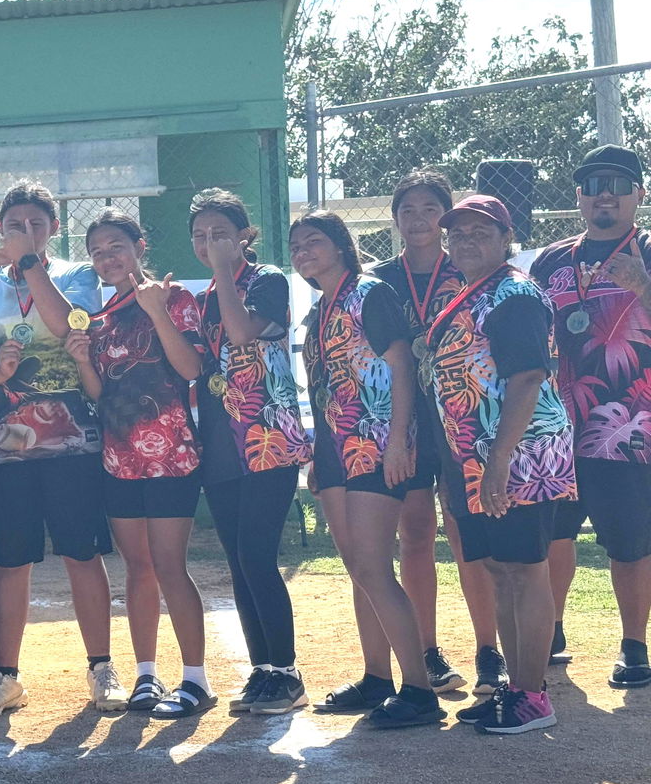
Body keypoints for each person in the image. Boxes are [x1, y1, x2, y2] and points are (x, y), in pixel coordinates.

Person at [0, 179, 111, 722]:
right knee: (9, 561)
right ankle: (5, 675)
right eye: (15, 225)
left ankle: (101, 667)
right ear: (1, 230)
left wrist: (31, 262)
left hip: (73, 445)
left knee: (81, 554)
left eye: (37, 223)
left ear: (54, 228)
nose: (26, 232)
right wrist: (1, 371)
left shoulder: (79, 278)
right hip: (3, 450)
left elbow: (66, 328)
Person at [427, 195, 577, 735]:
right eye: (458, 233)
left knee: (524, 569)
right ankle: (516, 688)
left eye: (480, 232)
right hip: (476, 459)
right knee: (497, 570)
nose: (466, 240)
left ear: (506, 239)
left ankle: (534, 697)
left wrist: (498, 463)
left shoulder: (514, 294)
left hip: (519, 455)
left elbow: (527, 379)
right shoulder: (471, 293)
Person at [293, 211, 442, 728]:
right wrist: (315, 454)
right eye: (295, 245)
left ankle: (420, 691)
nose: (303, 251)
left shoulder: (369, 292)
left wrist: (400, 440)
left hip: (376, 442)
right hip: (336, 446)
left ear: (340, 245)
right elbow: (321, 386)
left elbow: (401, 365)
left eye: (314, 241)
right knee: (359, 567)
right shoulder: (318, 312)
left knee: (376, 567)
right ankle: (376, 677)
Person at [67, 211, 212, 718]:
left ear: (140, 246)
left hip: (171, 455)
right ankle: (146, 675)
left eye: (116, 247)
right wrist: (83, 359)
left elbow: (190, 368)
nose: (108, 258)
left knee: (171, 566)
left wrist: (156, 313)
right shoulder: (99, 320)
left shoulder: (175, 300)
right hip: (119, 458)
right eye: (98, 252)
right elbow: (99, 395)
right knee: (138, 568)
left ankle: (196, 679)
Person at [368, 172, 505, 697]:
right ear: (396, 219)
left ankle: (489, 650)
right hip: (405, 419)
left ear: (444, 221)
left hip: (463, 417)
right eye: (407, 210)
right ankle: (427, 650)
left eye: (430, 209)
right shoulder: (379, 279)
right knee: (417, 533)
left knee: (467, 533)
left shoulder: (468, 269)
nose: (418, 219)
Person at [530, 144, 651, 689]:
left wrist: (644, 286)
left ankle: (634, 646)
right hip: (558, 425)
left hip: (629, 427)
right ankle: (550, 630)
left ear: (638, 196)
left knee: (629, 541)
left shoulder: (648, 249)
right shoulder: (551, 260)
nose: (606, 192)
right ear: (578, 196)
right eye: (594, 183)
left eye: (619, 184)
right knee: (553, 535)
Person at [189, 190, 312, 715]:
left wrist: (221, 272)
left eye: (220, 233)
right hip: (220, 441)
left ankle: (286, 672)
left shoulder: (267, 281)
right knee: (238, 561)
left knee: (259, 555)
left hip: (268, 436)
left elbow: (240, 333)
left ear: (245, 237)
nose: (209, 244)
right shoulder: (202, 300)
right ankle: (263, 671)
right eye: (199, 236)